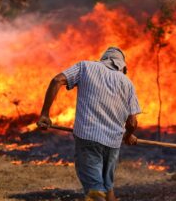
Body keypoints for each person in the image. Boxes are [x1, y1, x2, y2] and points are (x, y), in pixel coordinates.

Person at [36, 47, 141, 201]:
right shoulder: (127, 83)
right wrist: (129, 135)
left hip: (89, 138)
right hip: (113, 143)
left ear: (104, 60)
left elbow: (57, 80)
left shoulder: (86, 67)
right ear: (122, 66)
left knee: (95, 189)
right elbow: (132, 122)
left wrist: (45, 114)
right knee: (108, 187)